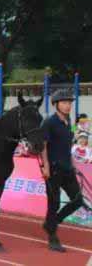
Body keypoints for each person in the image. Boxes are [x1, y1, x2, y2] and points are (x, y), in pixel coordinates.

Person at [41, 89, 85, 252]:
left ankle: (51, 223)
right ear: (56, 104)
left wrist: (73, 164)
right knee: (54, 203)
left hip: (67, 168)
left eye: (69, 103)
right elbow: (43, 146)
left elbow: (68, 146)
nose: (68, 106)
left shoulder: (70, 121)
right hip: (53, 169)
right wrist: (45, 166)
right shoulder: (49, 122)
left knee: (78, 200)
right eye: (64, 103)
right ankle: (52, 238)